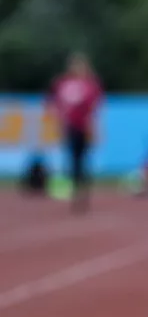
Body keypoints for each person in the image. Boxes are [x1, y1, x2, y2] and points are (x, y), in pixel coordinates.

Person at [44, 52, 103, 214]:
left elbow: (95, 108)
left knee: (83, 159)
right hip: (70, 126)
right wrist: (58, 121)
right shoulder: (63, 83)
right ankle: (76, 189)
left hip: (84, 126)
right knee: (73, 159)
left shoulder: (90, 84)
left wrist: (95, 128)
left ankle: (83, 190)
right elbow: (54, 102)